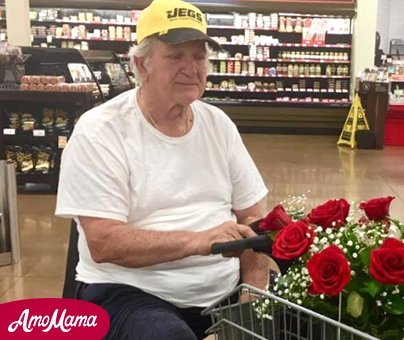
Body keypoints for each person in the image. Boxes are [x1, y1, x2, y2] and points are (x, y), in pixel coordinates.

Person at [55, 0, 271, 338]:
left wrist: (252, 298)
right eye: (175, 56)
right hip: (129, 292)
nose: (191, 68)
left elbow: (253, 219)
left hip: (221, 290)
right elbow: (104, 242)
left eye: (199, 56)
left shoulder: (218, 124)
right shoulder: (100, 130)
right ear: (142, 65)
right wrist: (199, 241)